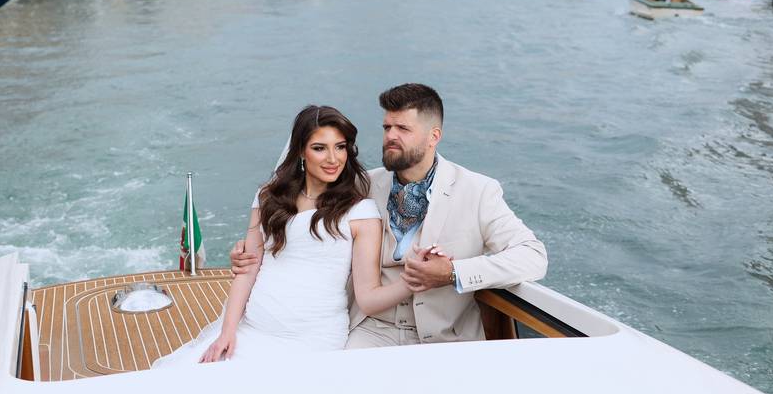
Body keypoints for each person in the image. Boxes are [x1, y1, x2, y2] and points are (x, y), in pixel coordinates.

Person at [232, 83, 547, 348]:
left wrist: (452, 273)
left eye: (403, 129)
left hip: (447, 338)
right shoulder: (357, 185)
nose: (390, 137)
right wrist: (248, 249)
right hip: (370, 329)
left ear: (433, 136)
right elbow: (291, 209)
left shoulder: (478, 191)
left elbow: (533, 258)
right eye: (387, 127)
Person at [152, 105, 409, 366]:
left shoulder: (360, 212)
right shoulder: (268, 198)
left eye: (340, 147)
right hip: (251, 331)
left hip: (315, 341)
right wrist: (227, 332)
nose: (333, 158)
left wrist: (412, 282)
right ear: (300, 151)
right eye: (319, 148)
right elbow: (247, 270)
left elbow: (367, 297)